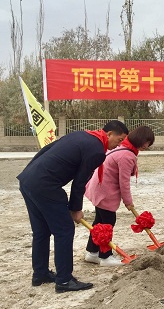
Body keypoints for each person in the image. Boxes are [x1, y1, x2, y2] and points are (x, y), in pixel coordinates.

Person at [18, 120, 129, 293]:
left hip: (29, 180)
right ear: (109, 134)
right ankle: (64, 280)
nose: (119, 144)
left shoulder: (82, 135)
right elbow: (80, 182)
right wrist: (75, 209)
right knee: (64, 230)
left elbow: (46, 150)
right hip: (46, 185)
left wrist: (30, 172)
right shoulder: (97, 150)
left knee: (42, 231)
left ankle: (40, 274)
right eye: (119, 139)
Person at [84, 126, 155, 266]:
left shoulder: (124, 149)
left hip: (100, 188)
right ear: (140, 139)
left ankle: (92, 252)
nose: (147, 146)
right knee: (107, 223)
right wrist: (128, 201)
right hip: (105, 192)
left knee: (99, 222)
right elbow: (124, 182)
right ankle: (105, 257)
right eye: (147, 142)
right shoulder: (126, 155)